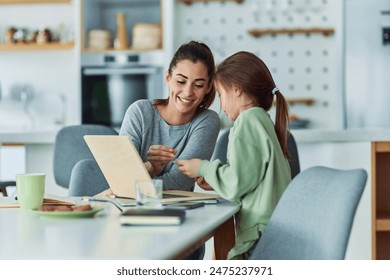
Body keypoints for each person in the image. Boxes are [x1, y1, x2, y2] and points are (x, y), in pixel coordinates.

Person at [97, 41, 220, 259]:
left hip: (178, 230)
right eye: (181, 81)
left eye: (198, 84)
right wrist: (153, 168)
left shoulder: (207, 121)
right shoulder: (140, 112)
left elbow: (179, 182)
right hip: (126, 224)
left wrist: (138, 177)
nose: (188, 92)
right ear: (168, 78)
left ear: (209, 87)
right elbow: (122, 179)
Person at [177, 51, 292, 260]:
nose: (221, 105)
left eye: (221, 95)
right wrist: (215, 181)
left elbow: (237, 182)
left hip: (260, 233)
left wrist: (202, 168)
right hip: (273, 227)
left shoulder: (246, 122)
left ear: (236, 90)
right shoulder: (261, 119)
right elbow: (251, 178)